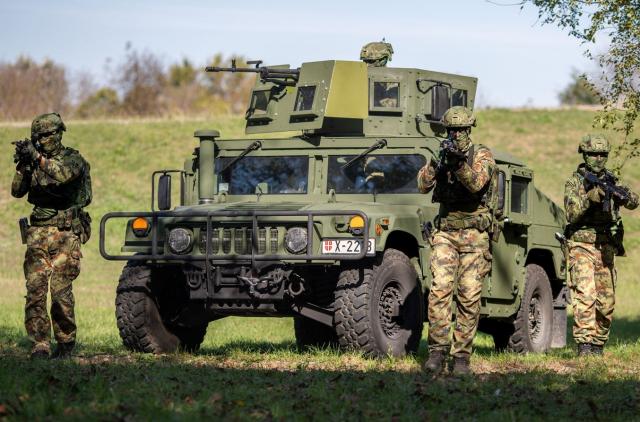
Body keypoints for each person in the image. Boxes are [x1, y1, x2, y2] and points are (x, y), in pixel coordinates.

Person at [417, 106, 496, 375]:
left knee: (469, 295)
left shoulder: (481, 154)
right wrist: (436, 165)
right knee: (439, 290)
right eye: (452, 130)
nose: (456, 134)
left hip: (474, 235)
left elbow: (476, 184)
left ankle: (461, 356)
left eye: (461, 130)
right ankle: (437, 351)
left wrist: (459, 164)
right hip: (446, 233)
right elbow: (422, 185)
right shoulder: (441, 153)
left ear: (469, 129)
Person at [11, 112, 92, 359]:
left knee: (60, 291)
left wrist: (37, 158)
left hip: (65, 233)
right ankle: (40, 344)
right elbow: (17, 191)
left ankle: (65, 342)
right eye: (38, 137)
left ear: (58, 134)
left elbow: (63, 174)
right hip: (38, 233)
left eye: (46, 135)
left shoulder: (73, 159)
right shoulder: (35, 161)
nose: (42, 140)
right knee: (35, 290)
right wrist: (24, 166)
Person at [564, 134, 638, 356]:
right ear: (584, 155)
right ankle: (584, 345)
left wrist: (624, 196)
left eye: (602, 154)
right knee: (585, 295)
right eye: (593, 154)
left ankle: (598, 345)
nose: (598, 158)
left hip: (605, 248)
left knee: (606, 303)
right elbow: (571, 214)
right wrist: (590, 198)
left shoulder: (612, 180)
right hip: (581, 245)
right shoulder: (574, 182)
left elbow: (634, 201)